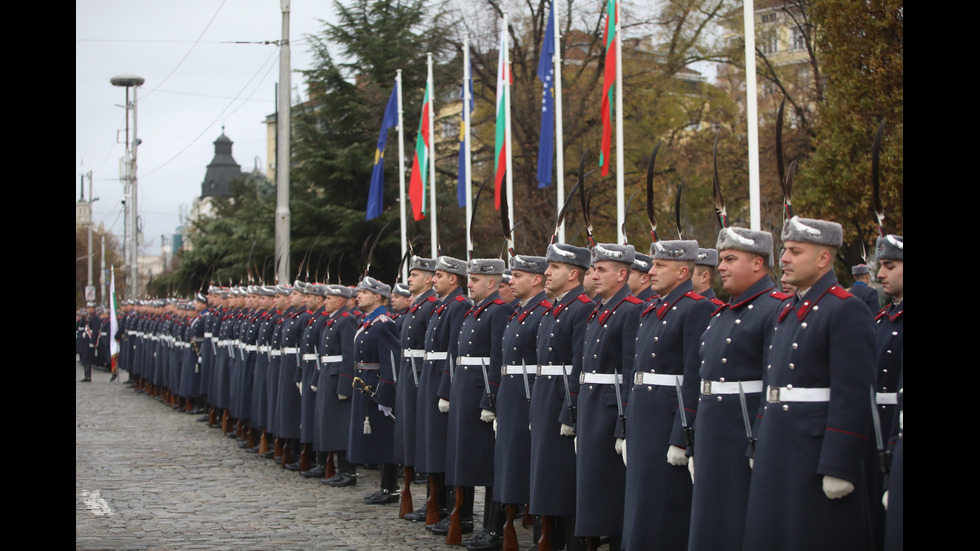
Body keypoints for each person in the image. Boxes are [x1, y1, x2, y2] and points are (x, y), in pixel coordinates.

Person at [743, 216, 875, 549]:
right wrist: (759, 439)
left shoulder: (845, 310)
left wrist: (839, 465)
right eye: (785, 250)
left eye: (795, 251)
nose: (784, 258)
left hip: (813, 451)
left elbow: (853, 393)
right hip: (779, 444)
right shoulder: (787, 310)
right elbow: (770, 384)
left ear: (822, 259)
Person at [688, 228, 789, 551]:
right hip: (713, 434)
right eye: (722, 260)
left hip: (743, 436)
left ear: (758, 264)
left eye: (731, 259)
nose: (722, 267)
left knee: (739, 524)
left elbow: (774, 383)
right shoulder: (722, 313)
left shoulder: (775, 309)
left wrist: (760, 442)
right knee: (711, 522)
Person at [621, 240, 714, 551]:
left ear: (683, 271)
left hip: (666, 419)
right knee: (641, 502)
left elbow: (693, 376)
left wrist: (682, 435)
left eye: (660, 265)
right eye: (653, 263)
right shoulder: (651, 308)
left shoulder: (696, 307)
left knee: (664, 506)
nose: (652, 270)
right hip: (644, 417)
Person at [575, 244, 644, 551]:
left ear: (622, 274)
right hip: (592, 404)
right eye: (593, 269)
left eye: (602, 269)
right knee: (591, 485)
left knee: (610, 487)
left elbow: (630, 371)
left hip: (610, 407)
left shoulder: (630, 310)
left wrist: (624, 424)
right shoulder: (599, 309)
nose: (594, 275)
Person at [443, 258, 510, 549]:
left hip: (480, 393)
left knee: (489, 465)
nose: (468, 284)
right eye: (469, 279)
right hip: (464, 391)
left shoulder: (499, 311)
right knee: (466, 459)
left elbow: (498, 359)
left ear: (492, 282)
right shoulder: (474, 312)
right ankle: (466, 518)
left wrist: (490, 399)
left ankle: (494, 529)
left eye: (475, 280)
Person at [486, 254, 551, 551]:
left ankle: (540, 533)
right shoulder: (519, 312)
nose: (511, 281)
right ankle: (503, 527)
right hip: (512, 396)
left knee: (532, 467)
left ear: (536, 279)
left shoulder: (542, 312)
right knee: (509, 464)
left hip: (529, 397)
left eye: (519, 275)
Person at [418, 256, 471, 535]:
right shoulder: (443, 306)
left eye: (438, 275)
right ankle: (436, 504)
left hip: (443, 375)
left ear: (453, 279)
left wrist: (446, 389)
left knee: (445, 449)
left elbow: (454, 351)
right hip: (432, 373)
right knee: (433, 445)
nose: (433, 279)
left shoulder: (459, 305)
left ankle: (455, 511)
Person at [388, 257, 439, 520]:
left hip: (421, 374)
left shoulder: (431, 305)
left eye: (416, 274)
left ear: (430, 278)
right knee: (409, 436)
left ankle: (433, 500)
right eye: (410, 274)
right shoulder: (416, 305)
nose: (409, 279)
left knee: (425, 439)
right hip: (409, 371)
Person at [349, 276, 401, 504]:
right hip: (365, 382)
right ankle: (385, 486)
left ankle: (390, 487)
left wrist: (386, 393)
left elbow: (391, 361)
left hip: (377, 384)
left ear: (377, 296)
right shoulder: (368, 322)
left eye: (364, 292)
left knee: (385, 437)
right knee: (377, 438)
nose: (358, 295)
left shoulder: (384, 323)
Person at [869, 234, 903, 548]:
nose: (880, 274)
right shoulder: (881, 319)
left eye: (889, 266)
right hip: (875, 430)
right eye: (881, 266)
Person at [315, 285, 359, 486]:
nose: (325, 301)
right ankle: (340, 469)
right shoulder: (332, 320)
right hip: (328, 375)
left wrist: (344, 384)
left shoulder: (346, 319)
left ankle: (348, 472)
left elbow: (349, 355)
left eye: (329, 298)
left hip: (337, 377)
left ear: (340, 301)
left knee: (342, 427)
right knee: (332, 425)